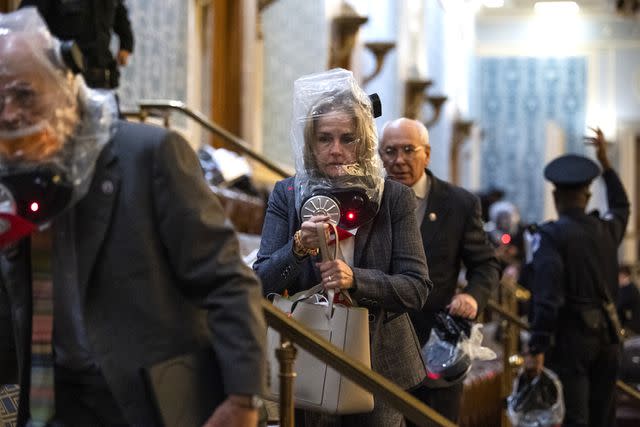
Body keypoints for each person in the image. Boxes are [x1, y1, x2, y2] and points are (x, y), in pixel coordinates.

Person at [0, 9, 264, 427]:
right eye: (0, 101)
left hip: (147, 400)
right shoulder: (12, 178)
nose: (11, 113)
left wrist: (243, 396)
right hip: (56, 402)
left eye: (24, 94)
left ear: (63, 85)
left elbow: (226, 279)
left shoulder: (149, 154)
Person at [253, 69, 432, 427]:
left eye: (347, 138)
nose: (335, 151)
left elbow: (416, 288)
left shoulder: (392, 197)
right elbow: (260, 282)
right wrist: (298, 248)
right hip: (308, 353)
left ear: (363, 142)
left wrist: (355, 279)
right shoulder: (288, 195)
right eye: (324, 139)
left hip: (379, 363)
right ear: (310, 143)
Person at [379, 118, 500, 424]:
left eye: (409, 150)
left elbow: (485, 264)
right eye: (390, 151)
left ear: (427, 154)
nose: (399, 160)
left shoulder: (459, 204)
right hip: (378, 348)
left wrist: (473, 297)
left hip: (435, 347)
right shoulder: (370, 200)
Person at [524, 127, 630, 427]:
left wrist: (537, 347)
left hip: (571, 341)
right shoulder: (608, 231)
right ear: (587, 195)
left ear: (556, 196)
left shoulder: (551, 237)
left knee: (575, 419)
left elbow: (548, 298)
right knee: (602, 417)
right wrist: (606, 164)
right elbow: (622, 206)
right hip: (609, 338)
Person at [19, 0, 134, 89]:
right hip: (64, 82)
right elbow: (24, 24)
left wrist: (126, 44)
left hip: (102, 82)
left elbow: (120, 15)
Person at [617, 264, 640, 336]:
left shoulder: (630, 289)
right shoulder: (627, 288)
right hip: (630, 325)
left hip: (632, 327)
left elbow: (619, 305)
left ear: (623, 275)